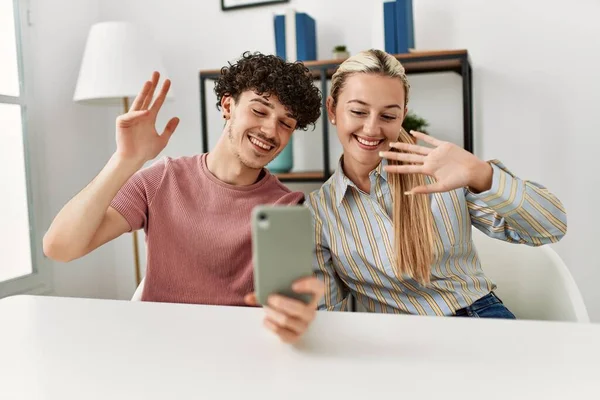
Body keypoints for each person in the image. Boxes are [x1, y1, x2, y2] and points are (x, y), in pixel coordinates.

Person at [44, 52, 325, 343]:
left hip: (239, 353)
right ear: (228, 105)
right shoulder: (163, 179)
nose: (270, 130)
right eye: (260, 110)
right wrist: (125, 159)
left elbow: (287, 307)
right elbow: (60, 247)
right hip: (160, 347)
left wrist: (297, 315)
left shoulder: (288, 207)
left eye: (286, 123)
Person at [307, 49, 567, 318]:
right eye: (358, 111)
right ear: (332, 110)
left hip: (480, 317)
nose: (372, 129)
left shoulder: (443, 173)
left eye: (388, 116)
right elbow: (326, 313)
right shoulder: (319, 211)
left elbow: (550, 228)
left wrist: (481, 174)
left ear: (403, 116)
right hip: (397, 345)